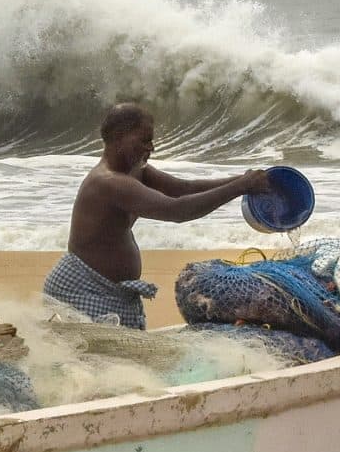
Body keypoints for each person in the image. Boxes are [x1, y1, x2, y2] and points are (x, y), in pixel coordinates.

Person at [43, 102, 267, 328]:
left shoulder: (136, 171)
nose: (151, 147)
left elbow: (184, 188)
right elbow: (176, 210)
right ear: (120, 137)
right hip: (82, 291)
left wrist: (243, 181)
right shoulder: (108, 182)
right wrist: (240, 187)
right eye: (145, 140)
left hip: (108, 293)